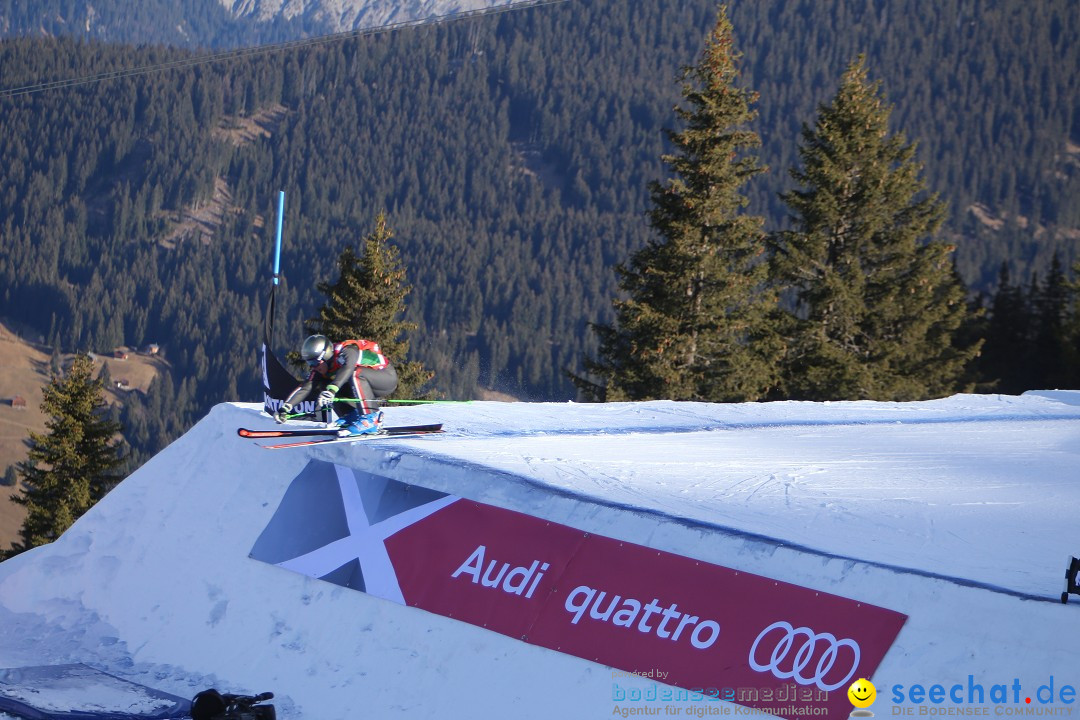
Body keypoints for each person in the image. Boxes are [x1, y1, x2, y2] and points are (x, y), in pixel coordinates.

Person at [275, 334, 398, 436]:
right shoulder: (320, 367)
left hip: (386, 378)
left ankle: (371, 419)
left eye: (315, 362)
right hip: (364, 384)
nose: (313, 367)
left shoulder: (347, 351)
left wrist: (332, 390)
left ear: (326, 355)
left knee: (353, 374)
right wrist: (286, 407)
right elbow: (306, 387)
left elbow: (348, 368)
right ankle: (352, 415)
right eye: (309, 363)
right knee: (324, 384)